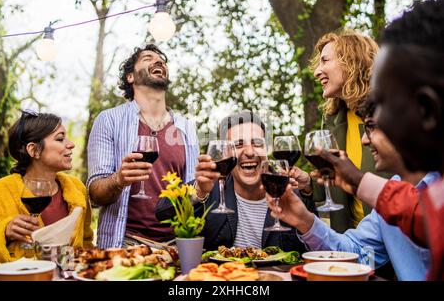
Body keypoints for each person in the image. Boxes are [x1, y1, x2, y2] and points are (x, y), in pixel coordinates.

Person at [315, 0, 444, 280]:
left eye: (382, 103)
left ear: (427, 110)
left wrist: (360, 182)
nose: (367, 134)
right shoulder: (427, 196)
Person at [267, 101, 439, 280]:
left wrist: (360, 182)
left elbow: (430, 222)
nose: (364, 139)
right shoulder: (391, 191)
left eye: (372, 126)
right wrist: (304, 220)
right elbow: (355, 254)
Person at [87, 44, 199, 248]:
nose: (159, 61)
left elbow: (192, 191)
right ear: (131, 77)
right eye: (148, 58)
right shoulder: (109, 120)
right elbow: (95, 194)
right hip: (124, 244)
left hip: (176, 246)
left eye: (162, 60)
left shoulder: (186, 128)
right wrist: (118, 180)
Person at [156, 111, 316, 251]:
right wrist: (198, 191)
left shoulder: (289, 191)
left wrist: (308, 188)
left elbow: (315, 244)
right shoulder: (209, 188)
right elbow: (162, 214)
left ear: (267, 150)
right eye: (238, 145)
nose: (250, 152)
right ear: (226, 153)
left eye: (257, 143)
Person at [309, 29, 390, 232]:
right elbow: (335, 185)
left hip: (395, 237)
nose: (317, 71)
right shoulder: (333, 119)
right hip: (355, 241)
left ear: (352, 62)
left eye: (325, 61)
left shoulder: (391, 113)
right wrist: (308, 185)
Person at [0, 111, 93, 264]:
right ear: (34, 150)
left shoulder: (77, 189)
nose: (71, 144)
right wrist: (4, 232)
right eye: (60, 139)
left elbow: (86, 243)